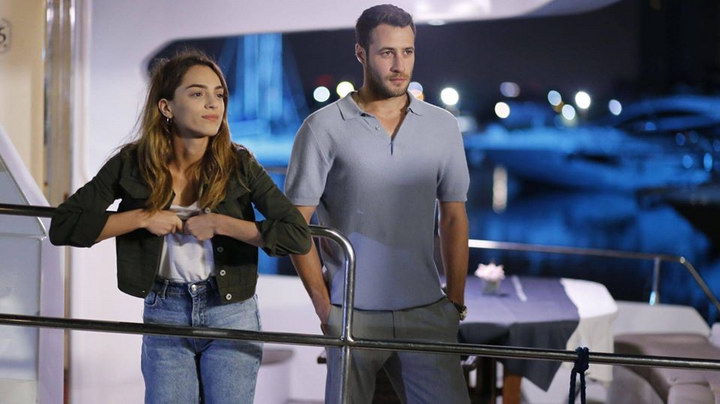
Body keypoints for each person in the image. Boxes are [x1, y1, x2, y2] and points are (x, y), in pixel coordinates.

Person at [49, 51, 311, 403]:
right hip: (165, 311)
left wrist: (222, 224)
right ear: (166, 107)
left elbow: (297, 235)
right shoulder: (132, 162)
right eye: (197, 93)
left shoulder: (240, 163)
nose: (213, 104)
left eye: (219, 94)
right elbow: (64, 225)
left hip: (231, 312)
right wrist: (142, 218)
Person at [286, 4, 471, 403]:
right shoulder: (321, 128)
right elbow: (294, 226)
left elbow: (454, 217)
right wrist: (325, 308)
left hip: (427, 311)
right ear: (361, 53)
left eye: (408, 51)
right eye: (387, 52)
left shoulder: (443, 126)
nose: (399, 65)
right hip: (351, 313)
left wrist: (454, 302)